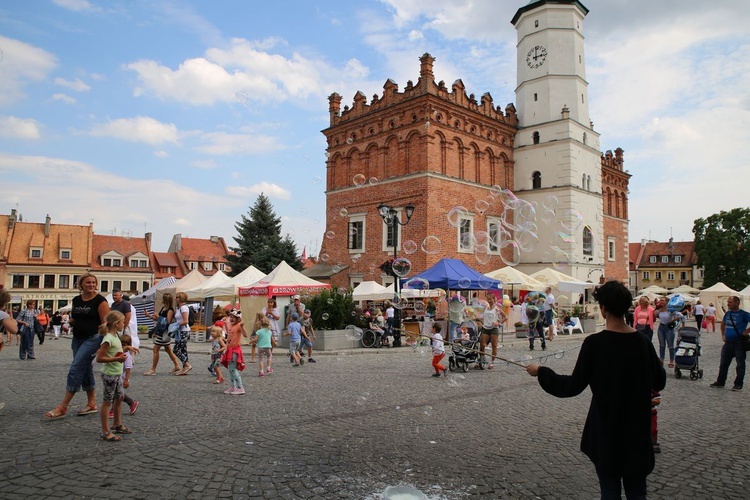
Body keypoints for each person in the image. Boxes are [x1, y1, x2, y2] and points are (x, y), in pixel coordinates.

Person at [526, 280, 666, 499]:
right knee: (637, 492)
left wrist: (542, 372)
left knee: (609, 491)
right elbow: (660, 381)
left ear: (603, 309)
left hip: (607, 430)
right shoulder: (642, 342)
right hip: (636, 430)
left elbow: (572, 386)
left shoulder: (595, 344)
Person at [44, 273, 110, 420]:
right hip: (77, 338)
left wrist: (105, 344)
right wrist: (67, 323)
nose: (91, 285)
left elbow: (106, 322)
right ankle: (92, 403)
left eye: (93, 282)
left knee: (76, 368)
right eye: (88, 283)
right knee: (85, 368)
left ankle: (63, 406)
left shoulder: (101, 301)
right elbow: (76, 317)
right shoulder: (77, 300)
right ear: (81, 285)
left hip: (93, 338)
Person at [95, 311, 132, 441]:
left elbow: (115, 352)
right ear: (116, 324)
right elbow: (100, 358)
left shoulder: (115, 335)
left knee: (120, 397)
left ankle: (117, 424)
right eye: (122, 322)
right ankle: (105, 431)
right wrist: (117, 360)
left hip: (117, 374)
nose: (124, 324)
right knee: (107, 402)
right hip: (110, 375)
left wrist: (126, 349)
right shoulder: (108, 339)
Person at [710, 295, 750, 391]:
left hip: (739, 343)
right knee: (723, 363)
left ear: (737, 303)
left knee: (740, 365)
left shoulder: (743, 314)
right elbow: (723, 324)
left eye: (730, 302)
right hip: (728, 343)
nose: (728, 304)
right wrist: (723, 335)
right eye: (728, 302)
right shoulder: (728, 313)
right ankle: (720, 381)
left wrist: (747, 331)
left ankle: (738, 384)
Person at [143, 293, 181, 375]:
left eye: (163, 298)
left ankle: (153, 369)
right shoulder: (163, 308)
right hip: (161, 331)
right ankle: (177, 365)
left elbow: (168, 322)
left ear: (165, 300)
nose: (161, 300)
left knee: (155, 349)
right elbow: (159, 320)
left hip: (164, 332)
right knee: (168, 350)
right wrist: (149, 315)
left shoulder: (170, 310)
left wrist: (158, 317)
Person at [477, 294, 507, 369]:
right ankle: (481, 360)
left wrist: (499, 323)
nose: (489, 301)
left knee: (494, 345)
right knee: (482, 345)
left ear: (494, 299)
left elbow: (505, 317)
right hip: (486, 328)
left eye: (490, 299)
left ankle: (492, 363)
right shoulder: (486, 308)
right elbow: (483, 317)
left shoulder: (497, 308)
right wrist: (478, 319)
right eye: (488, 299)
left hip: (494, 329)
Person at [222, 310, 248, 394]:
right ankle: (233, 386)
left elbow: (245, 335)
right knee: (230, 370)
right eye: (231, 317)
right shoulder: (231, 326)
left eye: (234, 317)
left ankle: (240, 387)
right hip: (230, 350)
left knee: (233, 369)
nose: (232, 319)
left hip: (235, 351)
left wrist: (242, 326)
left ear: (238, 319)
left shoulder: (238, 326)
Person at [656, 299, 683, 368]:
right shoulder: (660, 310)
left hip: (669, 328)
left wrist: (673, 320)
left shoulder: (671, 309)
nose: (661, 302)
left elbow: (680, 315)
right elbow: (656, 316)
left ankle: (671, 360)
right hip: (661, 327)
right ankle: (661, 360)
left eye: (663, 300)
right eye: (660, 301)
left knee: (670, 346)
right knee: (662, 345)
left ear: (666, 302)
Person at [118, 334, 139, 416]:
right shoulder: (121, 353)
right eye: (121, 344)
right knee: (117, 393)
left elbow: (128, 369)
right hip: (119, 375)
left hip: (122, 377)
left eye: (124, 344)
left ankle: (114, 410)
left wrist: (126, 380)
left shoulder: (127, 356)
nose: (123, 346)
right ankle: (132, 403)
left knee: (117, 394)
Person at [173, 292, 193, 376]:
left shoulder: (184, 308)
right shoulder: (180, 308)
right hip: (181, 331)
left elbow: (185, 321)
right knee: (183, 349)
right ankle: (185, 367)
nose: (175, 299)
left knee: (176, 349)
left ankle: (187, 365)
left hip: (183, 331)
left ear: (181, 298)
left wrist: (175, 325)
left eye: (177, 297)